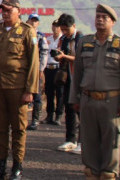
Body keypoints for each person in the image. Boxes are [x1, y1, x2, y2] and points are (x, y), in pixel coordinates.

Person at [69, 4, 120, 180]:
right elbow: (78, 73)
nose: (100, 20)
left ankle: (109, 174)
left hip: (111, 101)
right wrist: (74, 97)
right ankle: (91, 173)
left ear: (112, 21)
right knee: (89, 141)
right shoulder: (85, 42)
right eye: (98, 16)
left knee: (111, 142)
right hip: (88, 100)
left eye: (104, 17)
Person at [0, 0, 39, 180]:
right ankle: (0, 165)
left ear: (18, 11)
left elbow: (34, 63)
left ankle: (17, 166)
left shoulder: (27, 31)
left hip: (17, 86)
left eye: (8, 10)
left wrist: (30, 90)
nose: (5, 13)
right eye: (3, 10)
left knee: (18, 128)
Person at [54, 13, 83, 153]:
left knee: (81, 111)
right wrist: (59, 56)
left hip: (80, 79)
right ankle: (70, 139)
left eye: (67, 29)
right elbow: (62, 55)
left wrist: (65, 56)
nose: (65, 32)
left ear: (74, 26)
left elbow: (81, 59)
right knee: (69, 109)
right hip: (67, 78)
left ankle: (83, 142)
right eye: (63, 29)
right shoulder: (63, 39)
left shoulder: (82, 39)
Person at [25, 13, 48, 131]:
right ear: (27, 21)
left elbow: (44, 53)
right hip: (24, 69)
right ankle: (22, 119)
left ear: (38, 23)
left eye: (35, 21)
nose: (33, 23)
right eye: (31, 20)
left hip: (36, 69)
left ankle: (35, 120)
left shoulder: (40, 36)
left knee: (37, 95)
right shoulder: (24, 33)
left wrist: (40, 69)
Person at [43, 19, 64, 126]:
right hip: (48, 68)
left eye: (57, 26)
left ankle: (58, 115)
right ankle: (49, 115)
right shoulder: (48, 39)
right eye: (54, 26)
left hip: (58, 68)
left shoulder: (63, 39)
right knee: (49, 92)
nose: (55, 28)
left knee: (60, 93)